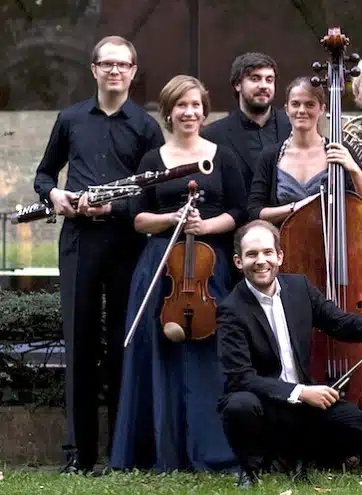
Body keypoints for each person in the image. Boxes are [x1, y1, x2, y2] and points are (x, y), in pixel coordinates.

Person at [33, 35, 164, 473]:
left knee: (121, 348)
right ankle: (78, 455)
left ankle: (124, 452)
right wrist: (53, 194)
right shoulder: (70, 119)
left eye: (122, 65)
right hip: (78, 241)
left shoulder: (145, 126)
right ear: (94, 69)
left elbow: (151, 191)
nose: (114, 71)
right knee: (80, 346)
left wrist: (115, 206)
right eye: (106, 63)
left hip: (126, 242)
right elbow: (44, 173)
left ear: (132, 71)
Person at [216, 219, 362, 488]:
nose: (261, 261)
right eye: (252, 254)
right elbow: (240, 378)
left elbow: (343, 324)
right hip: (265, 406)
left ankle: (303, 459)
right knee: (238, 404)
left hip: (303, 409)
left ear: (279, 256)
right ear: (237, 261)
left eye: (268, 252)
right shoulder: (231, 310)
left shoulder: (299, 288)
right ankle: (251, 468)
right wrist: (301, 392)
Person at [110, 75, 246, 472]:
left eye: (196, 105)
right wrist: (173, 217)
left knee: (209, 356)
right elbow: (137, 219)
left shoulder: (223, 156)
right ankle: (160, 450)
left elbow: (240, 212)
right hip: (161, 268)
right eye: (181, 106)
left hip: (208, 268)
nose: (189, 112)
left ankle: (212, 447)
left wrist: (205, 227)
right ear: (168, 112)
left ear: (205, 111)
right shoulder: (153, 160)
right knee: (160, 356)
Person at [247, 77, 362, 224]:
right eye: (295, 104)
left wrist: (354, 169)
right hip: (283, 241)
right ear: (287, 109)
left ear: (321, 109)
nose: (302, 110)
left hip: (333, 243)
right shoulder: (270, 156)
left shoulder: (340, 150)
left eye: (310, 104)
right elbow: (255, 211)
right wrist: (295, 207)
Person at [201, 52, 292, 193]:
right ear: (238, 84)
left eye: (269, 80)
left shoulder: (293, 128)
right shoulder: (213, 136)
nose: (263, 86)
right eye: (255, 79)